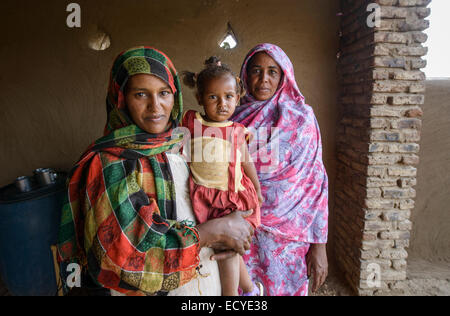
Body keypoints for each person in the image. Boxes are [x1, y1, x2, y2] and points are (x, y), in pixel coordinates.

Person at [56, 46, 254, 296]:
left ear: (176, 96)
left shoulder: (180, 145)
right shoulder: (109, 163)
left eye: (164, 93)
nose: (155, 106)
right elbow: (127, 254)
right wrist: (216, 231)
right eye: (140, 94)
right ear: (121, 98)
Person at [231, 43, 329, 296]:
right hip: (241, 230)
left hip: (289, 240)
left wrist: (319, 246)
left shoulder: (301, 118)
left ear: (284, 75)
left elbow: (315, 183)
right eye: (256, 71)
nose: (264, 79)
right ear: (245, 75)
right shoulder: (232, 117)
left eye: (272, 71)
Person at [181, 57, 263, 296]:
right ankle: (250, 289)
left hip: (231, 197)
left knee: (229, 245)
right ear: (200, 99)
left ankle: (231, 296)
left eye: (228, 97)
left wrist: (257, 189)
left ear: (237, 98)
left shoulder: (237, 131)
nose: (222, 104)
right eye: (213, 97)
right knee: (229, 247)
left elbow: (246, 162)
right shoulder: (190, 122)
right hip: (205, 196)